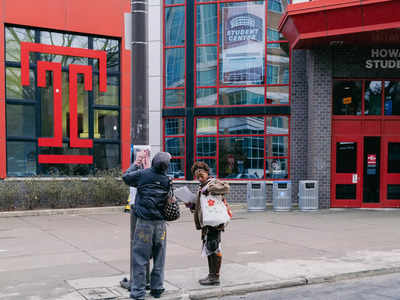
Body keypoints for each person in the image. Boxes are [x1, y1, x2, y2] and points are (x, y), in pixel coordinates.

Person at [122, 152, 172, 300]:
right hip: (161, 225)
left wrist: (137, 162)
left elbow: (126, 177)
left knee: (140, 258)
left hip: (144, 223)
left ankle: (138, 292)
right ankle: (157, 288)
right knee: (159, 257)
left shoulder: (143, 174)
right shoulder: (167, 180)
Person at [188, 161, 230, 286]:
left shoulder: (212, 182)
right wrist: (191, 205)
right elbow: (201, 206)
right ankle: (211, 274)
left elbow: (226, 187)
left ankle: (215, 277)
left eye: (202, 175)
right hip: (207, 222)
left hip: (215, 222)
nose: (200, 178)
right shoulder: (201, 187)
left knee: (214, 246)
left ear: (207, 173)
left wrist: (211, 188)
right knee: (209, 248)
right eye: (197, 177)